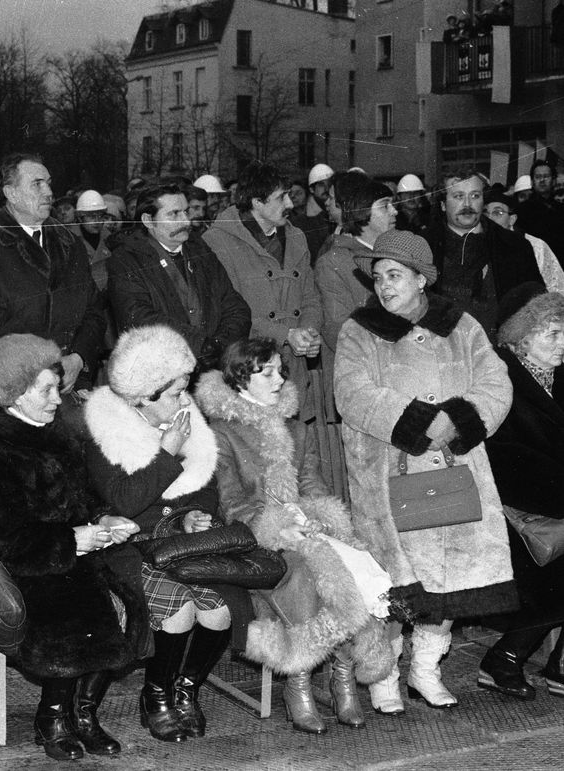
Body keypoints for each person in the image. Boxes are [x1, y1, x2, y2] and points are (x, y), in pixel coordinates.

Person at [336, 228, 517, 713]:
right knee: (395, 583)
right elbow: (352, 394)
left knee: (447, 582)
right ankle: (385, 676)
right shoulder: (359, 330)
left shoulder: (463, 326)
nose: (384, 286)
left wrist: (456, 422)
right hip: (390, 472)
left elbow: (495, 383)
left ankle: (425, 670)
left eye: (395, 275)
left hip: (456, 467)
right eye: (377, 277)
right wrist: (419, 422)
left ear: (422, 279)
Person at [0, 334, 148, 761]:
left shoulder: (58, 436)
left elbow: (83, 500)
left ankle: (84, 714)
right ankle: (52, 717)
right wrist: (70, 542)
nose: (55, 398)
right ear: (13, 393)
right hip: (28, 570)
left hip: (75, 557)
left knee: (128, 598)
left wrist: (103, 519)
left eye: (55, 387)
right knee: (75, 614)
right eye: (44, 390)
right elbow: (1, 541)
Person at [196, 338, 392, 732]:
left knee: (359, 559)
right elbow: (232, 504)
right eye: (265, 371)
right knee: (305, 567)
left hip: (304, 526)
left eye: (279, 370)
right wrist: (279, 527)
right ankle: (298, 680)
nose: (278, 377)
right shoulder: (221, 433)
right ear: (239, 380)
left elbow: (312, 484)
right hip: (253, 537)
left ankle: (342, 677)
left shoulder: (297, 430)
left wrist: (319, 518)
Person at [82, 325, 240, 743]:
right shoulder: (105, 432)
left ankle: (185, 687)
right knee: (179, 612)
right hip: (129, 544)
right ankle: (155, 697)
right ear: (144, 396)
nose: (185, 399)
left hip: (177, 542)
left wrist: (192, 517)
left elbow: (205, 486)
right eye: (174, 392)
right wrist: (166, 453)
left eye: (185, 388)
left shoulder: (183, 418)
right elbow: (124, 502)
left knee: (220, 609)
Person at [0, 153, 108, 442]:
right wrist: (51, 367)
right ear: (11, 193)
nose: (49, 192)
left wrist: (78, 358)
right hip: (10, 393)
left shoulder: (69, 243)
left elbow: (94, 311)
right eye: (37, 184)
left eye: (49, 183)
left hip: (67, 386)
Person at [477, 286, 564, 700]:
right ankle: (509, 658)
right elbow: (506, 461)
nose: (563, 343)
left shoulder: (558, 377)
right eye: (553, 334)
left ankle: (517, 659)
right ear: (522, 337)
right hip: (514, 512)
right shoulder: (502, 381)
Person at [203, 161, 323, 420]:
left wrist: (309, 333)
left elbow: (310, 297)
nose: (290, 204)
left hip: (293, 372)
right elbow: (227, 313)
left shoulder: (297, 237)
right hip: (247, 374)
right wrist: (285, 333)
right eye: (281, 197)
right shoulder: (217, 242)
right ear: (257, 202)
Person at [107, 183, 250, 370]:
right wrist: (200, 345)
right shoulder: (126, 259)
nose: (185, 221)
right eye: (174, 214)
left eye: (186, 212)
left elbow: (235, 305)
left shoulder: (201, 250)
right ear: (148, 220)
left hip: (211, 368)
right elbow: (139, 318)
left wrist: (219, 344)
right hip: (159, 373)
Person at [423, 167, 542, 335]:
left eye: (475, 196)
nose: (467, 204)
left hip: (500, 350)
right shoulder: (424, 245)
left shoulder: (515, 246)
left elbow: (536, 305)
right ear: (443, 204)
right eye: (458, 196)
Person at [316, 176, 396, 354]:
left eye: (392, 204)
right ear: (363, 213)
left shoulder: (398, 256)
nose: (394, 211)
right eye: (385, 206)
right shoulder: (333, 263)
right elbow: (339, 332)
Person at [484, 192, 564, 293]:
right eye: (485, 213)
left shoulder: (536, 246)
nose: (489, 218)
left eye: (497, 213)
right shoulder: (477, 242)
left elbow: (555, 287)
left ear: (512, 219)